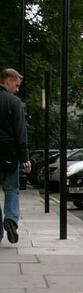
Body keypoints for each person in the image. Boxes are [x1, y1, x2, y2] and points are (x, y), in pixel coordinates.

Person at [0, 68, 30, 244]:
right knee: (12, 190)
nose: (17, 89)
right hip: (9, 154)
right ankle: (11, 219)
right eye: (17, 85)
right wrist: (25, 157)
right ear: (8, 80)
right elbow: (20, 132)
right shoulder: (14, 102)